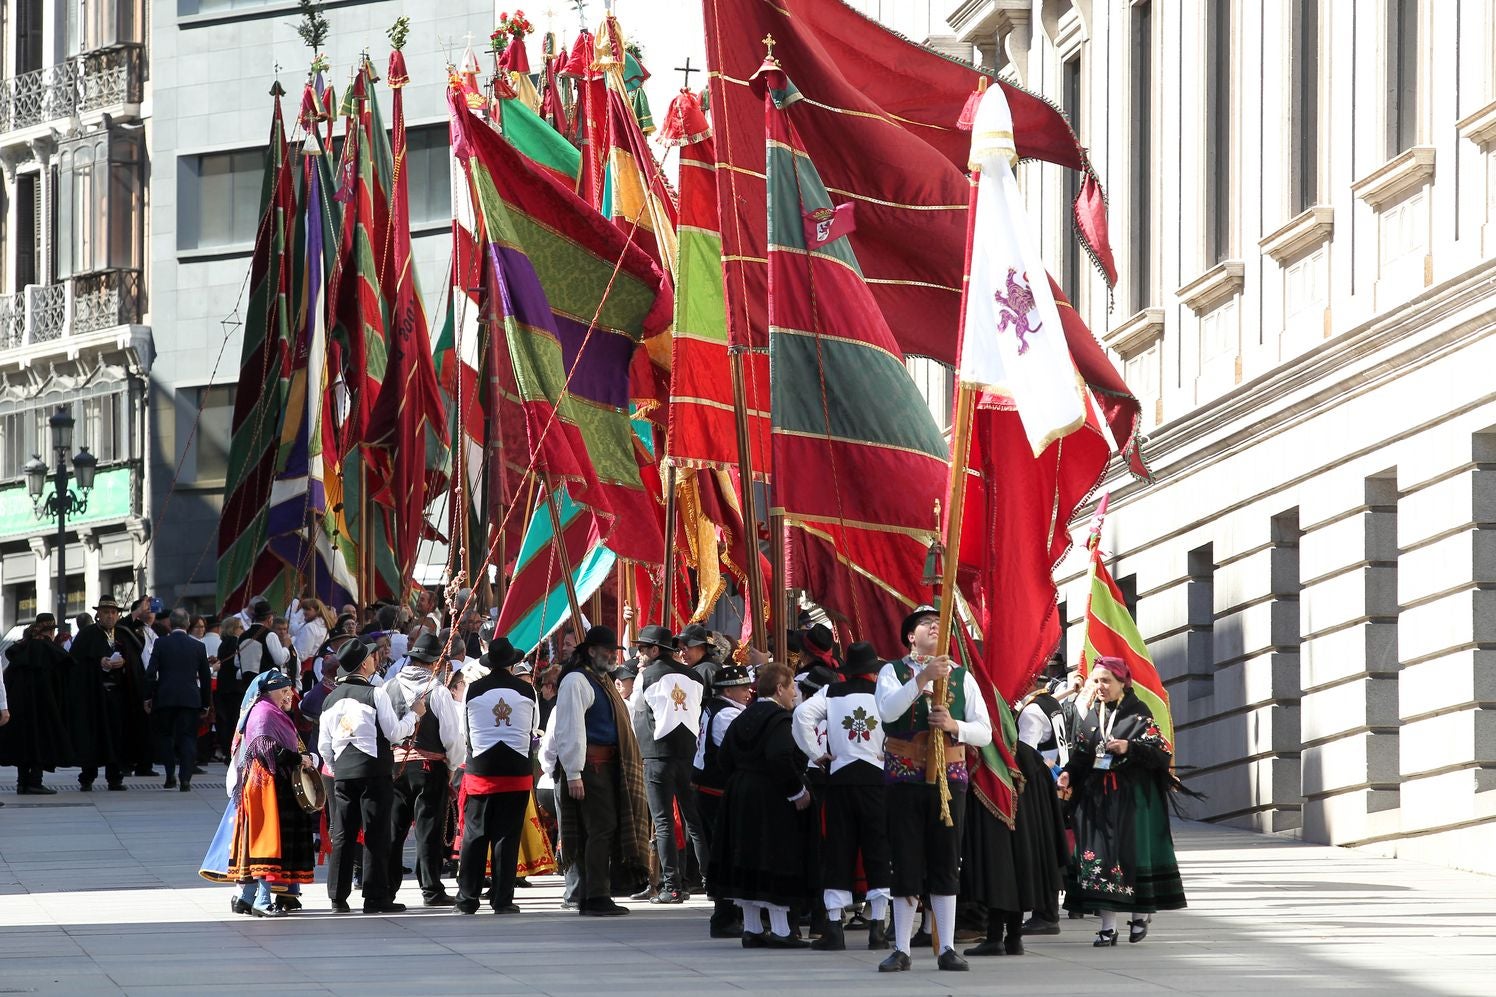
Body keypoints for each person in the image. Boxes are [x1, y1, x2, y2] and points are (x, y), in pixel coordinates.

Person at [874, 605, 993, 973]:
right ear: (912, 635)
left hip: (947, 778)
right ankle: (902, 948)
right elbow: (889, 712)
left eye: (939, 625)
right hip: (905, 777)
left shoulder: (962, 678)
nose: (934, 629)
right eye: (927, 624)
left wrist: (954, 724)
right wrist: (923, 677)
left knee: (946, 859)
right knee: (905, 858)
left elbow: (985, 731)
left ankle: (948, 948)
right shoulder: (891, 672)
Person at [1059, 657, 1190, 945]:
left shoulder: (1138, 712)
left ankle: (1141, 914)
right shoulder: (1090, 713)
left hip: (1131, 799)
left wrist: (1129, 746)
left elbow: (1160, 752)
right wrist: (1069, 774)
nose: (1100, 686)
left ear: (1123, 683)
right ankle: (1107, 926)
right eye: (1096, 680)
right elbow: (1082, 753)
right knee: (1100, 859)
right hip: (1096, 800)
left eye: (1106, 680)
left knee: (1132, 857)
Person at [792, 641, 891, 951]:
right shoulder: (884, 696)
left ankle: (834, 928)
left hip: (841, 779)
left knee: (838, 852)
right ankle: (878, 927)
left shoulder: (830, 693)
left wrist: (817, 753)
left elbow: (801, 718)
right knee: (877, 850)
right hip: (877, 779)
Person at [707, 661, 811, 949]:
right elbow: (780, 758)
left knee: (747, 858)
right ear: (779, 689)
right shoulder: (780, 720)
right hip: (769, 797)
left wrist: (742, 780)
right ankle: (780, 930)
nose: (794, 694)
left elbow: (723, 758)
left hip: (739, 793)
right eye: (792, 688)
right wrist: (797, 791)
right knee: (773, 856)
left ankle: (752, 929)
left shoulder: (743, 716)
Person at [550, 625, 652, 916]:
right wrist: (573, 773)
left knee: (602, 829)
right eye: (607, 651)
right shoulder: (576, 681)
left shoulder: (600, 679)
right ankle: (595, 895)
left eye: (614, 651)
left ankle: (592, 893)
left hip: (606, 765)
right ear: (591, 651)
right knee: (600, 829)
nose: (612, 656)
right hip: (590, 767)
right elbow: (569, 729)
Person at [318, 639, 424, 914]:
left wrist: (339, 766)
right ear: (364, 664)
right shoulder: (375, 694)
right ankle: (375, 897)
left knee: (343, 834)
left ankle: (337, 897)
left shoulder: (330, 699)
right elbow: (394, 732)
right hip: (374, 772)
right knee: (376, 833)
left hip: (343, 773)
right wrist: (414, 715)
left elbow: (324, 747)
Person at [625, 624, 710, 905]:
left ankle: (672, 885)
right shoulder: (694, 676)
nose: (638, 654)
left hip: (658, 754)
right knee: (692, 821)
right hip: (687, 755)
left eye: (642, 649)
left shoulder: (646, 677)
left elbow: (637, 709)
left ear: (655, 650)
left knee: (663, 822)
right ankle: (707, 879)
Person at [226, 669, 320, 916]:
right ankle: (263, 900)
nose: (289, 695)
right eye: (284, 691)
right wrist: (299, 758)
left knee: (257, 840)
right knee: (269, 840)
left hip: (266, 784)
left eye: (289, 689)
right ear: (269, 692)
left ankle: (245, 897)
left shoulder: (269, 710)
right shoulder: (265, 713)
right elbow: (267, 749)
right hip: (267, 787)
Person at [455, 638, 539, 915]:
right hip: (516, 770)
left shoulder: (473, 689)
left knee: (475, 835)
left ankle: (467, 898)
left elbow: (464, 730)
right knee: (507, 836)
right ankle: (502, 899)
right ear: (513, 664)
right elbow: (534, 727)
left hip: (482, 768)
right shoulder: (527, 690)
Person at [387, 632, 466, 907]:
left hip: (395, 767)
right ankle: (431, 889)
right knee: (428, 830)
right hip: (429, 766)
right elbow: (451, 737)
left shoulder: (389, 688)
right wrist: (453, 765)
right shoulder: (438, 691)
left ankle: (388, 887)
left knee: (394, 830)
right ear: (434, 663)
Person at [693, 662, 754, 937]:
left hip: (708, 790)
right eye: (742, 688)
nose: (747, 692)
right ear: (728, 690)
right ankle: (725, 914)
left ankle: (730, 912)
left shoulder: (714, 708)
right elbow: (742, 753)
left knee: (723, 852)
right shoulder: (728, 715)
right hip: (717, 793)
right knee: (728, 854)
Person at [71, 597, 150, 790]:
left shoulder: (122, 634)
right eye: (106, 612)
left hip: (119, 694)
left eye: (113, 612)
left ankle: (115, 777)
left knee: (117, 735)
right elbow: (74, 663)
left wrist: (124, 663)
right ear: (98, 614)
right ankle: (87, 777)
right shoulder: (87, 635)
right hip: (94, 696)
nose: (110, 615)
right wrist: (98, 663)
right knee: (93, 734)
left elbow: (136, 658)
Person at [0, 614, 71, 795]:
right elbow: (65, 669)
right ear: (51, 631)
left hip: (18, 705)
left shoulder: (22, 647)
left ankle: (22, 783)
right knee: (40, 740)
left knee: (23, 742)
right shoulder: (48, 649)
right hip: (42, 705)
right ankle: (35, 782)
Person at [144, 608, 213, 791]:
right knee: (188, 737)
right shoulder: (198, 646)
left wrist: (148, 696)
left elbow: (151, 672)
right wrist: (205, 702)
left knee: (165, 737)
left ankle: (169, 776)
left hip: (165, 697)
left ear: (170, 624)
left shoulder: (161, 643)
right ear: (188, 624)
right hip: (190, 698)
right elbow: (205, 677)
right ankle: (186, 779)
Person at [288, 598, 332, 680]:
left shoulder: (309, 627)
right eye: (303, 609)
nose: (304, 612)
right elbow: (291, 628)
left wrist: (289, 647)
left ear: (316, 610)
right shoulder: (325, 627)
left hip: (306, 669)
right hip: (318, 666)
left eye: (307, 609)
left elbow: (301, 654)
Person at [676, 623, 720, 689]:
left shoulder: (708, 670)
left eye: (685, 648)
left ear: (701, 648)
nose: (681, 654)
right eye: (679, 649)